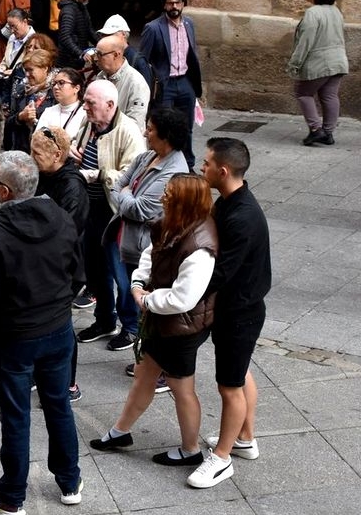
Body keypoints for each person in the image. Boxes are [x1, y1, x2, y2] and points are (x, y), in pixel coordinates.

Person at [0, 151, 84, 515]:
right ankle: (70, 482)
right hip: (57, 329)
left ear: (4, 191)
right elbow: (78, 276)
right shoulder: (62, 218)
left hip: (14, 337)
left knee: (17, 415)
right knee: (58, 406)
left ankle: (13, 496)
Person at [90, 174, 218, 473]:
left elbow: (183, 299)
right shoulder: (171, 222)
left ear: (184, 202)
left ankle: (191, 450)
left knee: (180, 388)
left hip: (181, 328)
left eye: (170, 194)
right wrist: (138, 282)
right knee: (145, 374)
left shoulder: (201, 245)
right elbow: (150, 254)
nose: (163, 196)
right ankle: (120, 432)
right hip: (163, 323)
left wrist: (146, 300)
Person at [190, 137, 272, 489]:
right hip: (238, 307)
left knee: (229, 387)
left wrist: (185, 294)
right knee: (239, 374)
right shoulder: (228, 202)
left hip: (240, 311)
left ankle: (222, 458)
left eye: (206, 163)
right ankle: (244, 439)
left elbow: (220, 271)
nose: (201, 168)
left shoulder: (242, 216)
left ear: (222, 171)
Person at [101, 107, 191, 353]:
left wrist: (125, 193)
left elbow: (140, 209)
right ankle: (132, 333)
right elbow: (117, 183)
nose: (144, 133)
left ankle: (143, 344)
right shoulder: (146, 157)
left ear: (166, 136)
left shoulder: (173, 171)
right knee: (124, 286)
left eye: (150, 129)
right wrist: (124, 192)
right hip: (122, 235)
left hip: (141, 243)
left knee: (137, 291)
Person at [71, 80, 146, 343]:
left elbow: (132, 176)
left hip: (114, 214)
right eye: (86, 101)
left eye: (91, 103)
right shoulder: (88, 125)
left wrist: (98, 173)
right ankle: (104, 320)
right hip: (89, 209)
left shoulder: (129, 131)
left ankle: (131, 326)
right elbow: (80, 152)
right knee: (94, 270)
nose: (85, 107)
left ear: (110, 105)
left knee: (121, 274)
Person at [31, 126, 89, 402]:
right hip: (44, 260)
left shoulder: (72, 186)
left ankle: (69, 383)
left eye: (37, 153)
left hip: (64, 265)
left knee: (61, 323)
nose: (32, 157)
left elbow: (67, 228)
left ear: (57, 155)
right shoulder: (44, 174)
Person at [140, 0, 203, 167]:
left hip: (185, 82)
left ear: (183, 3)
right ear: (164, 6)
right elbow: (143, 59)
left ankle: (187, 164)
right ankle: (163, 164)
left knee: (187, 127)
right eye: (170, 3)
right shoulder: (153, 28)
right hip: (164, 85)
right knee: (164, 127)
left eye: (177, 2)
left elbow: (192, 53)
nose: (173, 6)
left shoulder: (189, 24)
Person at [288, 0, 349, 146]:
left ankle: (316, 130)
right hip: (338, 61)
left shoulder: (313, 13)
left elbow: (306, 41)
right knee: (329, 96)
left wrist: (295, 63)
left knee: (303, 93)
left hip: (318, 62)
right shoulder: (336, 11)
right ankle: (328, 132)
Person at [91, 34, 150, 131]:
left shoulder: (137, 83)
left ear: (115, 55)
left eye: (100, 54)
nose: (96, 59)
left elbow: (135, 123)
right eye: (95, 53)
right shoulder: (100, 76)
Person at [2, 50, 54, 153]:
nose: (27, 74)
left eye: (31, 70)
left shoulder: (55, 93)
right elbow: (8, 122)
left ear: (45, 68)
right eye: (25, 70)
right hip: (20, 152)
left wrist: (35, 121)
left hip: (44, 154)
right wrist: (20, 117)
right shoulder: (21, 90)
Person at [0, 8, 36, 115]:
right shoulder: (12, 38)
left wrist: (14, 72)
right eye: (9, 27)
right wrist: (1, 68)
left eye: (14, 26)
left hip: (22, 88)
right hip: (7, 86)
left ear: (24, 22)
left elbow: (34, 67)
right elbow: (6, 60)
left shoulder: (35, 41)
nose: (12, 30)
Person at [93, 13, 152, 87]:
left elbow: (145, 92)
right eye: (104, 35)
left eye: (111, 34)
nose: (107, 38)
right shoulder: (104, 55)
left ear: (123, 35)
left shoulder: (138, 60)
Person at [35, 67, 85, 141]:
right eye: (54, 83)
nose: (55, 87)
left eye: (61, 83)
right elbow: (37, 140)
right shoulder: (49, 111)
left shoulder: (84, 113)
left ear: (76, 88)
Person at [56, 0, 95, 69]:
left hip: (76, 59)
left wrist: (102, 44)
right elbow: (65, 37)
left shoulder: (81, 6)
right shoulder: (68, 10)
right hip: (68, 61)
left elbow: (89, 30)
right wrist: (80, 53)